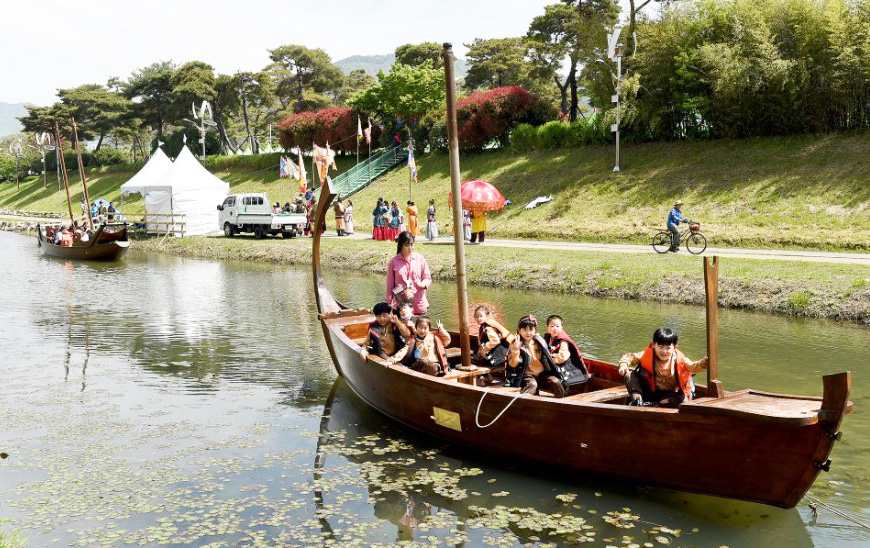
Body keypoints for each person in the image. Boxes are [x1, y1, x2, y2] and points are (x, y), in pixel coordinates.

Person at [618, 327, 709, 407]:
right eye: (660, 347)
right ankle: (637, 402)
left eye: (668, 348)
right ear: (653, 345)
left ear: (674, 347)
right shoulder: (646, 355)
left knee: (682, 400)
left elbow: (694, 367)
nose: (664, 351)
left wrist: (704, 362)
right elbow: (629, 357)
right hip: (649, 392)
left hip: (670, 395)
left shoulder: (681, 360)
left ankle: (656, 404)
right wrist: (623, 365)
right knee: (629, 374)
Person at [506, 315, 567, 397]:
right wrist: (516, 350)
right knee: (532, 384)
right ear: (519, 330)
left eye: (531, 329)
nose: (528, 333)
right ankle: (523, 402)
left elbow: (548, 357)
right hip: (527, 375)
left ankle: (561, 400)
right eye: (524, 330)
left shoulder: (539, 342)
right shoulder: (515, 344)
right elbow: (513, 364)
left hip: (542, 374)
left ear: (535, 330)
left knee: (555, 382)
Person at [386, 231, 432, 315]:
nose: (410, 248)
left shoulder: (420, 259)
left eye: (412, 244)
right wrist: (389, 304)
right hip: (401, 306)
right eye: (407, 245)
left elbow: (427, 278)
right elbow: (390, 286)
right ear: (401, 245)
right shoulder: (394, 261)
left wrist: (422, 284)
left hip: (418, 303)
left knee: (420, 323)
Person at [543, 315, 589, 388]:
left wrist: (550, 359)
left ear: (561, 327)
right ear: (547, 327)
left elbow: (563, 356)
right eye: (552, 326)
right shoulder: (548, 337)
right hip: (553, 365)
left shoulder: (563, 341)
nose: (555, 329)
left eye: (557, 326)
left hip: (564, 366)